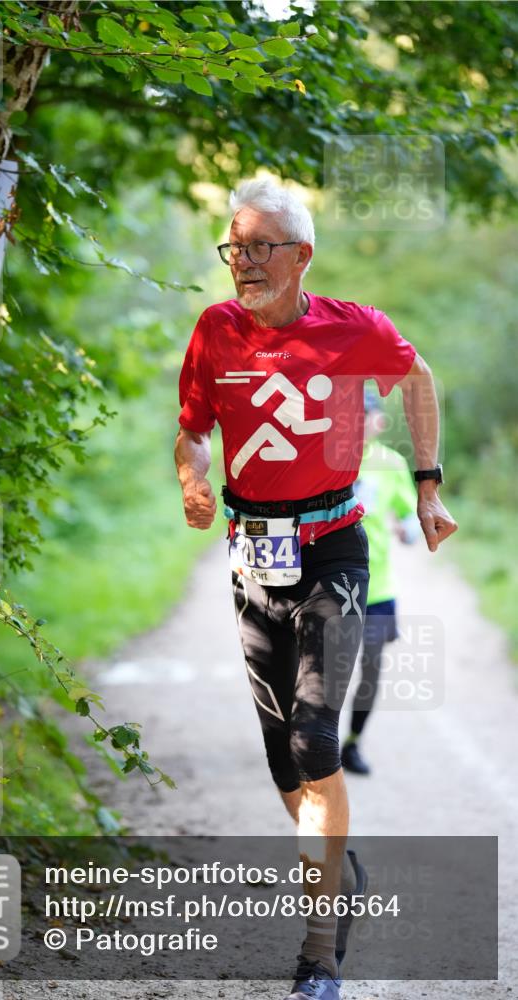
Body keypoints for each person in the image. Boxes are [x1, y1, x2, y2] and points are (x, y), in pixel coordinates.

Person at [174, 176, 457, 1000]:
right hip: (250, 557)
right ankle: (340, 863)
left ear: (300, 256)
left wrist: (429, 484)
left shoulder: (351, 327)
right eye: (233, 247)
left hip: (334, 547)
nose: (242, 263)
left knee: (314, 740)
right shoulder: (214, 331)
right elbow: (192, 429)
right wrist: (191, 480)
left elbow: (418, 379)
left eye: (260, 247)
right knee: (282, 764)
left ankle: (319, 954)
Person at [341, 391, 420, 776]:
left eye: (365, 415)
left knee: (370, 670)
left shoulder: (392, 463)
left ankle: (352, 744)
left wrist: (409, 530)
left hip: (378, 585)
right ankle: (307, 743)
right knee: (320, 670)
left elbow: (408, 515)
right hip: (330, 584)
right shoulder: (327, 461)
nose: (358, 422)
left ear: (379, 422)